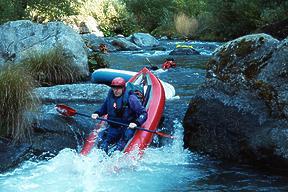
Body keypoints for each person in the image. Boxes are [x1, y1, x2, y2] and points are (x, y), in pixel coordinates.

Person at [91, 77, 147, 153]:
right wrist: (97, 113)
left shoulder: (131, 98)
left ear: (123, 88)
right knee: (103, 144)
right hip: (114, 126)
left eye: (118, 88)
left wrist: (136, 123)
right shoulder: (110, 97)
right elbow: (103, 109)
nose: (116, 90)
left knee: (119, 147)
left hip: (127, 127)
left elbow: (143, 113)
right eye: (114, 88)